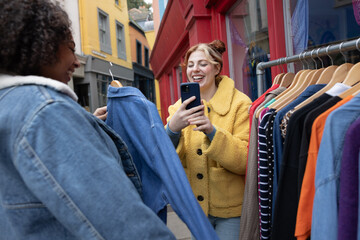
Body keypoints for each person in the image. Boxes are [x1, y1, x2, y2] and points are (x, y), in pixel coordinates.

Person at [0, 0, 175, 239]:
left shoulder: (9, 104)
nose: (75, 61)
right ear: (42, 45)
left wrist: (86, 127)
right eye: (70, 48)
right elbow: (120, 221)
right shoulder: (47, 111)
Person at [165, 40, 252, 240]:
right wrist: (172, 129)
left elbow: (245, 160)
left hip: (231, 212)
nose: (195, 69)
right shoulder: (176, 110)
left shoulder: (240, 104)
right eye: (191, 65)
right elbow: (164, 160)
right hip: (194, 209)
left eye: (202, 64)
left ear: (216, 68)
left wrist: (212, 131)